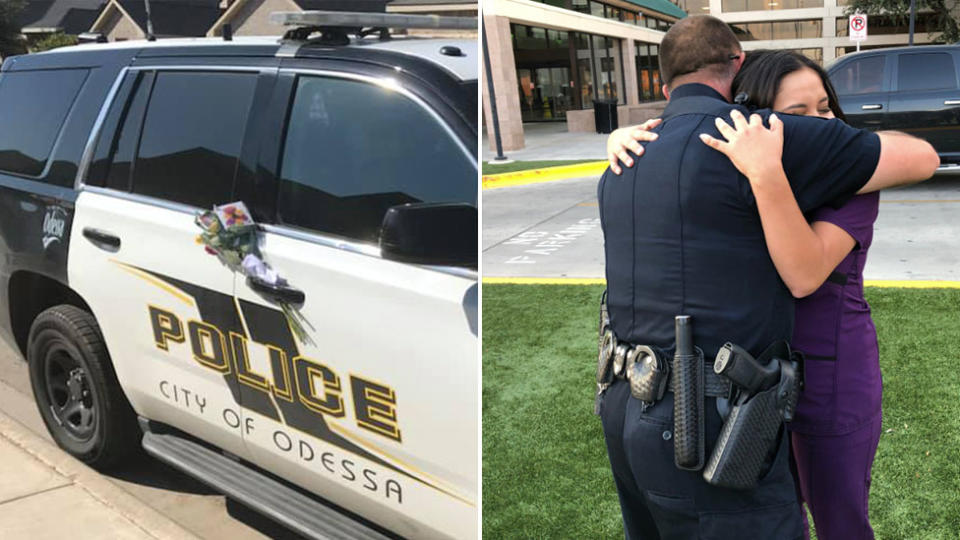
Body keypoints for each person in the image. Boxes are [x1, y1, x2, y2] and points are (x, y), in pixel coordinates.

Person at [596, 16, 939, 540]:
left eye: (825, 109)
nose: (819, 123)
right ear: (746, 101)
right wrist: (627, 135)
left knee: (839, 518)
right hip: (746, 390)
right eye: (798, 113)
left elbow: (805, 273)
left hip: (826, 377)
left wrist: (766, 171)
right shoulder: (741, 149)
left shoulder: (829, 181)